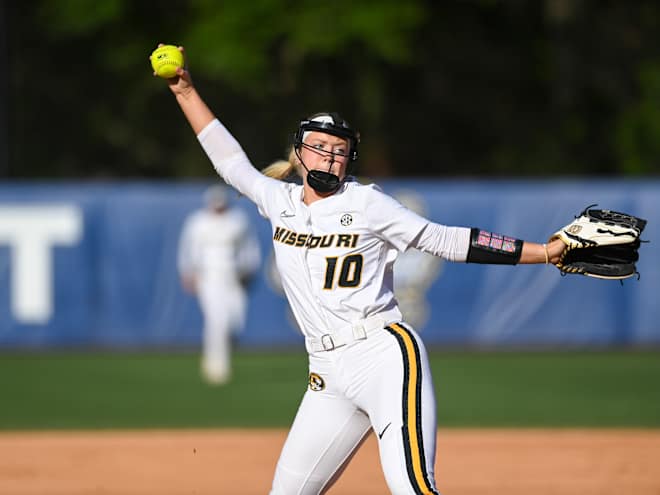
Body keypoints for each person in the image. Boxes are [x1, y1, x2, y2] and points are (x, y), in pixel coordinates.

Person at [157, 44, 566, 494]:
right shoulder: (279, 202)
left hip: (383, 356)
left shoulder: (367, 203)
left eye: (340, 150)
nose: (330, 156)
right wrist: (185, 91)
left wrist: (543, 252)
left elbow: (444, 240)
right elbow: (228, 159)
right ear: (299, 155)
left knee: (413, 488)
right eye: (319, 147)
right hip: (325, 373)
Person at [177, 183, 261, 385]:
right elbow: (187, 249)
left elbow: (249, 248)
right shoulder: (197, 222)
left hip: (233, 276)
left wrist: (249, 269)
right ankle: (216, 367)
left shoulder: (237, 221)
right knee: (216, 320)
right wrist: (188, 272)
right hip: (208, 276)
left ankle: (221, 357)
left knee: (234, 319)